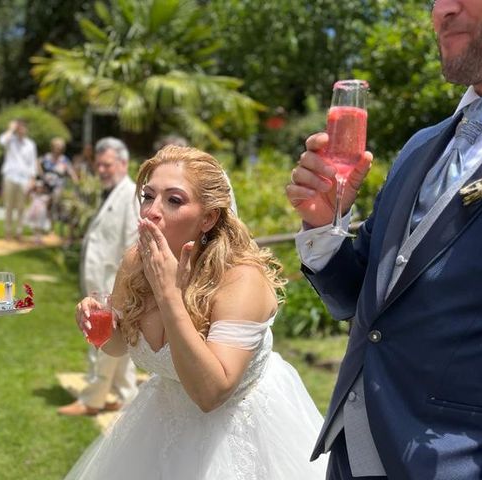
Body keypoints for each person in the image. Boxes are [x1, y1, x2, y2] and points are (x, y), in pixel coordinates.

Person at [287, 1, 482, 478]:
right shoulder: (420, 147)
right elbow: (358, 299)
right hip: (351, 455)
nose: (443, 10)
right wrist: (326, 224)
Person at [65, 145, 327, 479]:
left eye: (173, 200)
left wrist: (168, 294)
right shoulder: (137, 261)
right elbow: (118, 345)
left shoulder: (240, 279)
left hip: (239, 431)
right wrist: (96, 325)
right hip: (162, 422)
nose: (152, 211)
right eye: (148, 196)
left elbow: (211, 393)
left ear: (208, 217)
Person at [58, 137, 139, 417]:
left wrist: (122, 288)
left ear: (123, 163)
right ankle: (123, 395)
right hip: (101, 283)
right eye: (99, 165)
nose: (102, 170)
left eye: (107, 165)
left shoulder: (130, 195)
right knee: (120, 345)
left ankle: (91, 400)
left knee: (101, 340)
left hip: (112, 285)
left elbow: (133, 243)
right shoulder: (114, 192)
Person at [0, 119, 38, 242]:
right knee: (9, 205)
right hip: (10, 176)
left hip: (24, 178)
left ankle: (19, 231)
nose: (21, 130)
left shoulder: (30, 145)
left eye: (23, 128)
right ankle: (8, 231)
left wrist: (32, 179)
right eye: (19, 128)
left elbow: (32, 163)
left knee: (21, 206)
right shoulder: (10, 140)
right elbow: (2, 141)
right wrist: (10, 129)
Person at [23, 178, 52, 244]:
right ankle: (35, 237)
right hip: (33, 213)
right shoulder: (33, 195)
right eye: (38, 187)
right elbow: (27, 195)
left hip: (41, 213)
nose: (39, 189)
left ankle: (39, 238)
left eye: (41, 188)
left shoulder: (45, 197)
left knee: (40, 226)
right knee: (34, 225)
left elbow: (47, 205)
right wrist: (30, 187)